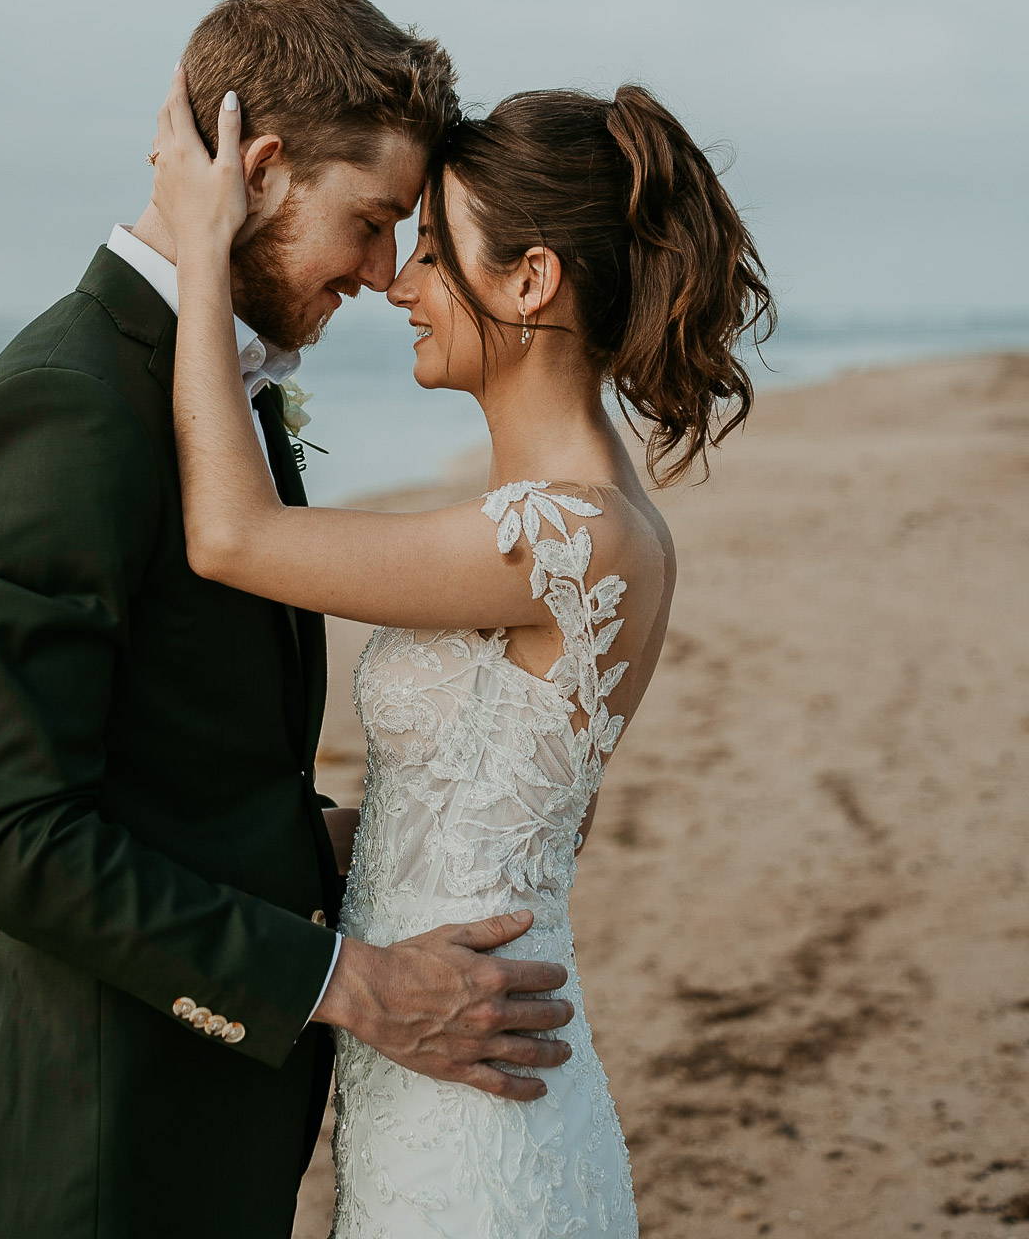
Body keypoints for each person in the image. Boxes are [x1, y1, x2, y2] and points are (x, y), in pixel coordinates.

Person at [0, 0, 576, 1239]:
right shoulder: (68, 404)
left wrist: (363, 837)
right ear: (259, 171)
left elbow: (180, 747)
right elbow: (12, 839)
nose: (383, 273)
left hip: (201, 1119)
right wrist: (356, 985)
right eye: (371, 220)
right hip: (93, 1145)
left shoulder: (220, 379)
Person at [149, 63, 773, 1238]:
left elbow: (230, 536)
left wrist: (200, 251)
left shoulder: (568, 535)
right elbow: (527, 818)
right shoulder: (570, 521)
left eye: (433, 249)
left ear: (531, 279)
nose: (399, 283)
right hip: (440, 1057)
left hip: (479, 1116)